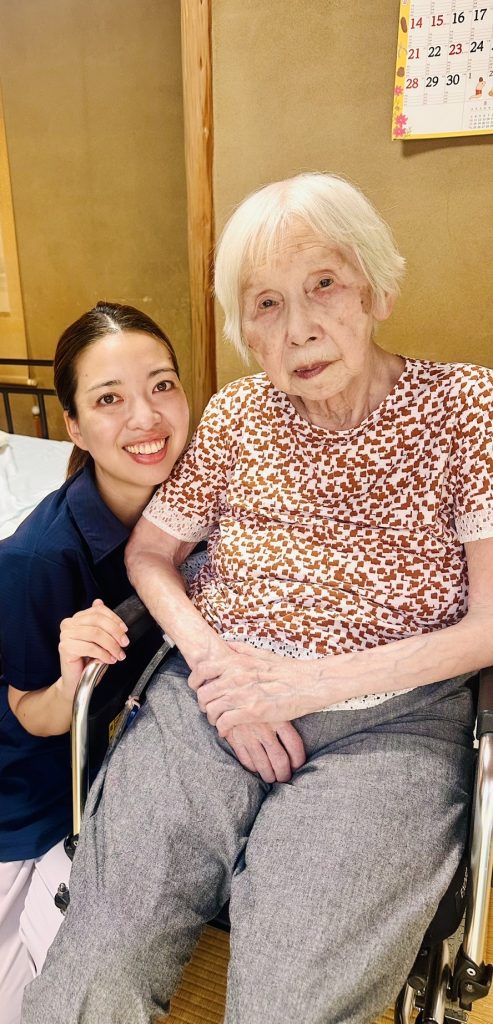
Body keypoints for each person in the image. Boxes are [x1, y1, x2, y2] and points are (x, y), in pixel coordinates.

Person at [22, 175, 493, 1024]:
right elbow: (151, 552)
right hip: (211, 699)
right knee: (100, 951)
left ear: (377, 289)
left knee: (289, 1000)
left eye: (324, 284)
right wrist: (218, 670)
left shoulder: (466, 406)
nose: (298, 328)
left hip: (389, 723)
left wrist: (301, 686)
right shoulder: (238, 414)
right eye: (266, 304)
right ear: (245, 329)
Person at [0, 301, 189, 1024]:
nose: (146, 417)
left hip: (96, 769)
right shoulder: (39, 560)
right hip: (25, 791)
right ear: (74, 426)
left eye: (162, 385)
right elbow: (31, 714)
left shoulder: (191, 504)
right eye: (110, 399)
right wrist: (72, 679)